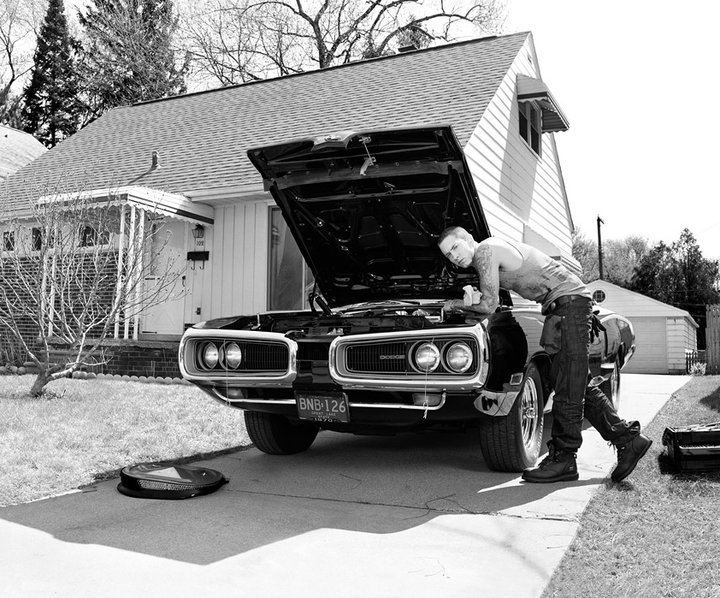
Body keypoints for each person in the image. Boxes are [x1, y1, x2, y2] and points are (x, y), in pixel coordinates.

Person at [437, 226, 652, 483]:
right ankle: (628, 439)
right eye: (448, 255)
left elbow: (489, 304)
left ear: (469, 240)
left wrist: (452, 305)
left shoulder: (485, 250)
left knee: (566, 388)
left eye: (455, 247)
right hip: (565, 305)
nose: (453, 256)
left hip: (569, 304)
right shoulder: (489, 254)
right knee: (576, 384)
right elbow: (488, 308)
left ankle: (564, 458)